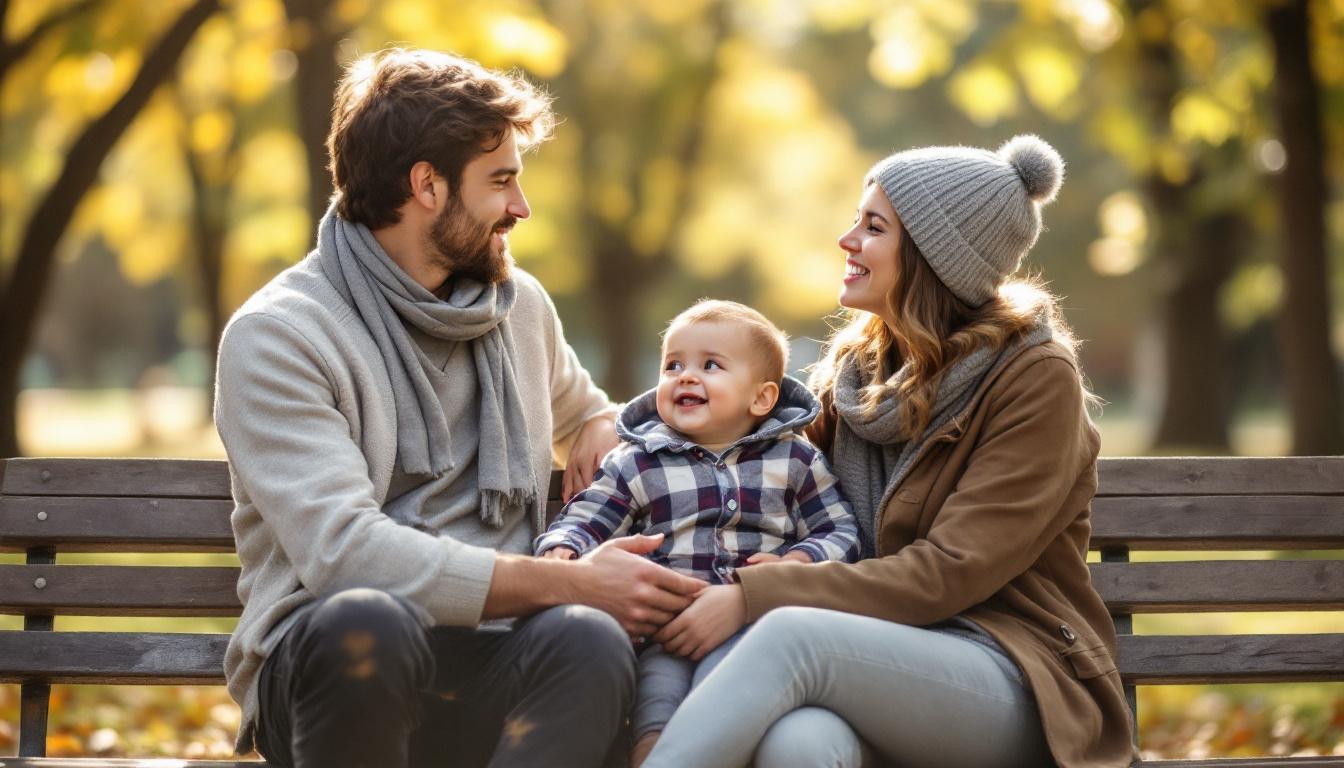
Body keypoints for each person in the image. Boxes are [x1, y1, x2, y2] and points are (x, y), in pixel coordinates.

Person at [213, 48, 705, 768]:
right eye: (501, 181)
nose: (521, 207)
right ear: (427, 185)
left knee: (590, 638)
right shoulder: (281, 334)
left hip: (494, 659)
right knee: (368, 622)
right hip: (339, 668)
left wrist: (601, 424)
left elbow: (588, 411)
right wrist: (571, 581)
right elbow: (346, 556)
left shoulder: (518, 307)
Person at [641, 135, 1138, 768]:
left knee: (790, 635)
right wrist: (614, 428)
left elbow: (950, 572)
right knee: (802, 744)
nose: (846, 240)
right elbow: (758, 458)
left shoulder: (1034, 377)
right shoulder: (857, 371)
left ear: (935, 255)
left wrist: (753, 595)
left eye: (873, 227)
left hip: (1016, 670)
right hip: (876, 657)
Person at [534, 299, 860, 764]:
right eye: (673, 365)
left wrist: (798, 562)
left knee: (721, 697)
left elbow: (839, 530)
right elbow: (588, 516)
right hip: (665, 633)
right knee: (656, 702)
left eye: (710, 365)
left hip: (755, 632)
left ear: (761, 398)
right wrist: (563, 551)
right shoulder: (638, 461)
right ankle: (650, 752)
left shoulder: (795, 459)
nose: (685, 377)